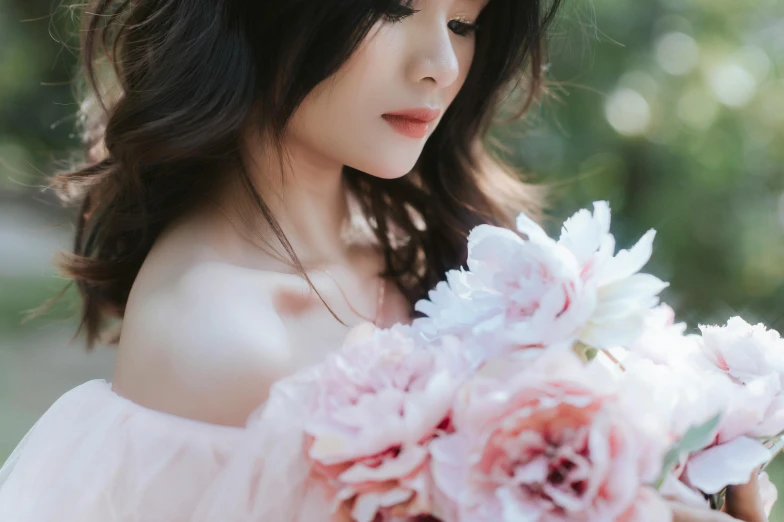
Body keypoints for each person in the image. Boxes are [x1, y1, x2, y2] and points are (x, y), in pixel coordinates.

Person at [0, 0, 769, 520]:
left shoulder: (432, 247)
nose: (439, 64)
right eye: (393, 8)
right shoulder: (224, 338)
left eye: (464, 20)